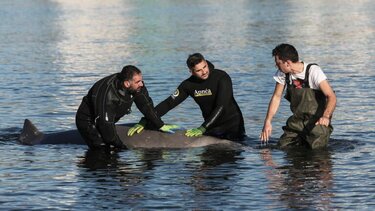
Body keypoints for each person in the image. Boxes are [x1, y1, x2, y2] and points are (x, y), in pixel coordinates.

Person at [129, 53, 246, 142]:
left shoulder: (222, 77)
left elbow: (222, 106)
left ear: (206, 62)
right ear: (191, 71)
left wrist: (203, 128)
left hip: (233, 126)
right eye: (199, 70)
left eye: (204, 67)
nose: (204, 72)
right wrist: (146, 119)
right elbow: (168, 104)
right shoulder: (188, 85)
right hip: (212, 127)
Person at [76, 65, 178, 150]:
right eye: (138, 82)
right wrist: (122, 147)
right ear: (127, 83)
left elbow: (146, 107)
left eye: (141, 80)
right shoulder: (107, 93)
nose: (141, 84)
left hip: (106, 119)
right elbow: (105, 125)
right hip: (88, 121)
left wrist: (159, 124)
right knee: (104, 149)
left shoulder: (137, 87)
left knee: (113, 146)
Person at [260, 43, 336, 149]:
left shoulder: (313, 71)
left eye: (278, 63)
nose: (276, 66)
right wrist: (267, 121)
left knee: (316, 151)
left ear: (288, 63)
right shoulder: (282, 73)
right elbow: (276, 97)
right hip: (297, 121)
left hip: (317, 121)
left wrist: (326, 116)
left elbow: (331, 96)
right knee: (282, 147)